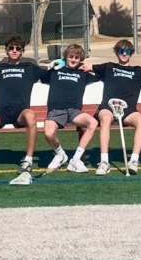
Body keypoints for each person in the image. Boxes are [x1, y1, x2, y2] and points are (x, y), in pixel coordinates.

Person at [0, 36, 47, 176]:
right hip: (2, 110)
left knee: (30, 115)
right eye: (11, 48)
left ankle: (28, 161)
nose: (14, 51)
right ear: (6, 50)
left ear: (22, 51)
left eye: (18, 48)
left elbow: (49, 76)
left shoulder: (30, 67)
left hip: (21, 111)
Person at [80, 40, 141, 176]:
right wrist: (63, 64)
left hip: (128, 109)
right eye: (121, 51)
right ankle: (104, 161)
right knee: (105, 118)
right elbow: (84, 67)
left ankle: (134, 160)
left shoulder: (139, 71)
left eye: (127, 51)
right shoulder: (109, 67)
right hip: (109, 106)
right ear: (116, 53)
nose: (124, 54)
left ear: (131, 53)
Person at [42, 44, 99, 173]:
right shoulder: (56, 71)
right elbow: (42, 75)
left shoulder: (83, 74)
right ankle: (60, 154)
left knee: (93, 123)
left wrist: (89, 68)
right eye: (70, 57)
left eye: (77, 58)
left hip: (74, 111)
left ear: (80, 59)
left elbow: (101, 75)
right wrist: (55, 66)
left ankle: (76, 159)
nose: (73, 60)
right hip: (56, 110)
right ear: (66, 57)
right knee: (48, 133)